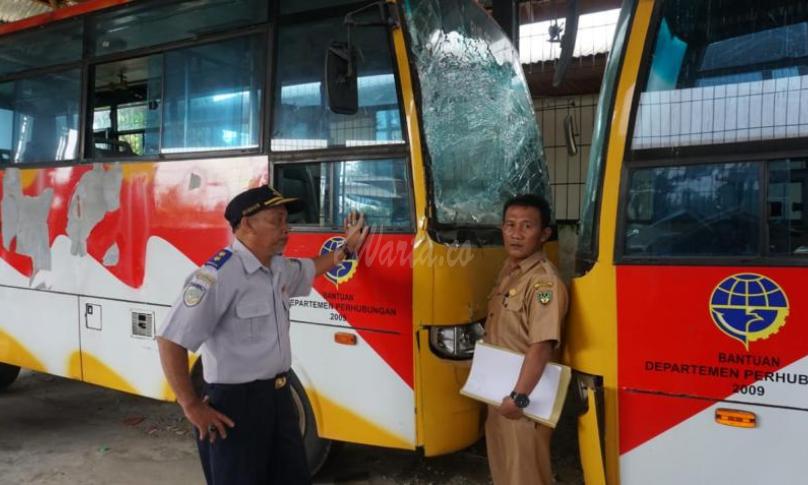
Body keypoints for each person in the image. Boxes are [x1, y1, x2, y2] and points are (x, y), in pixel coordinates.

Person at [157, 185, 369, 485]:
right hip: (235, 407)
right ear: (246, 224)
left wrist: (347, 249)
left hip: (280, 400)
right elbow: (171, 339)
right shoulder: (218, 275)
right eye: (276, 220)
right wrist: (191, 405)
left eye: (286, 221)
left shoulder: (278, 268)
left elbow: (312, 267)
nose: (286, 229)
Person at [484, 193, 568, 485]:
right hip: (501, 394)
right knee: (505, 471)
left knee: (526, 475)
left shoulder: (544, 282)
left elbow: (542, 345)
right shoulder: (510, 271)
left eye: (526, 226)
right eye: (510, 225)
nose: (516, 234)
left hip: (524, 401)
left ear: (544, 234)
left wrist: (519, 398)